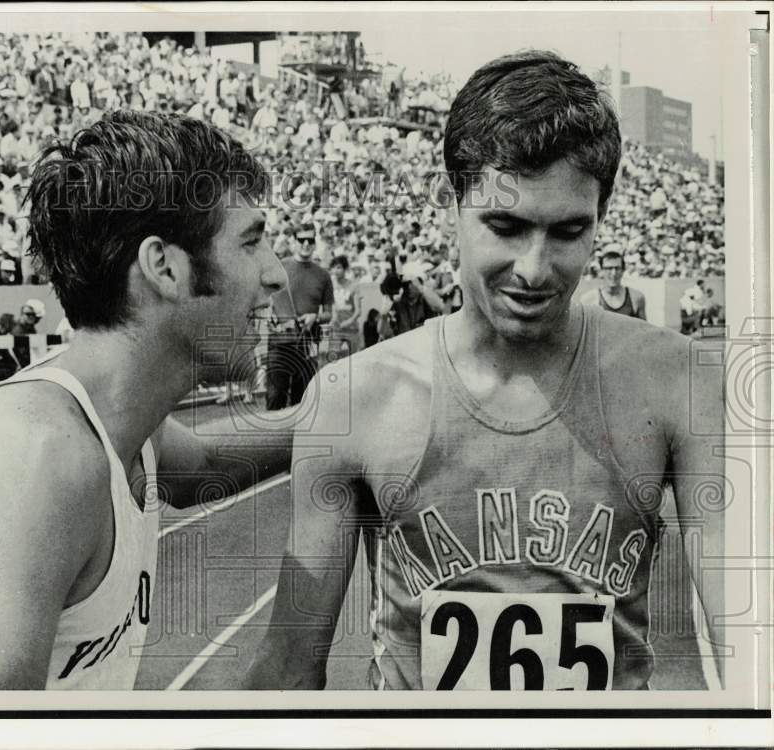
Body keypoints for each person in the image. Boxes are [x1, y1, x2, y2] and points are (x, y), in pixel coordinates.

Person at [247, 51, 724, 691]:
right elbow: (288, 674)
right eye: (505, 225)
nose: (533, 267)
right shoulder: (352, 398)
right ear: (454, 204)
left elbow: (752, 646)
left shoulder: (680, 383)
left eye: (568, 232)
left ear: (600, 219)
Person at [0, 111, 295, 690]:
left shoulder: (120, 422)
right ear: (164, 267)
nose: (277, 274)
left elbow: (203, 465)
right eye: (251, 242)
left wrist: (350, 408)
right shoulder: (43, 457)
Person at [265, 223, 334, 410]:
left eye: (310, 240)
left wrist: (315, 317)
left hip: (307, 344)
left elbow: (328, 313)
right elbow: (264, 297)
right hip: (279, 341)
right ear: (294, 241)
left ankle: (297, 439)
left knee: (302, 399)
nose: (305, 244)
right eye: (301, 240)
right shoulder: (279, 267)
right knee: (275, 395)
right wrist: (269, 313)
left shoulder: (323, 275)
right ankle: (269, 438)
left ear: (314, 242)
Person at [580, 251, 646, 319]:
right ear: (601, 271)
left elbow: (645, 328)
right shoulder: (589, 299)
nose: (613, 273)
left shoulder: (636, 298)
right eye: (609, 268)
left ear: (623, 271)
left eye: (617, 268)